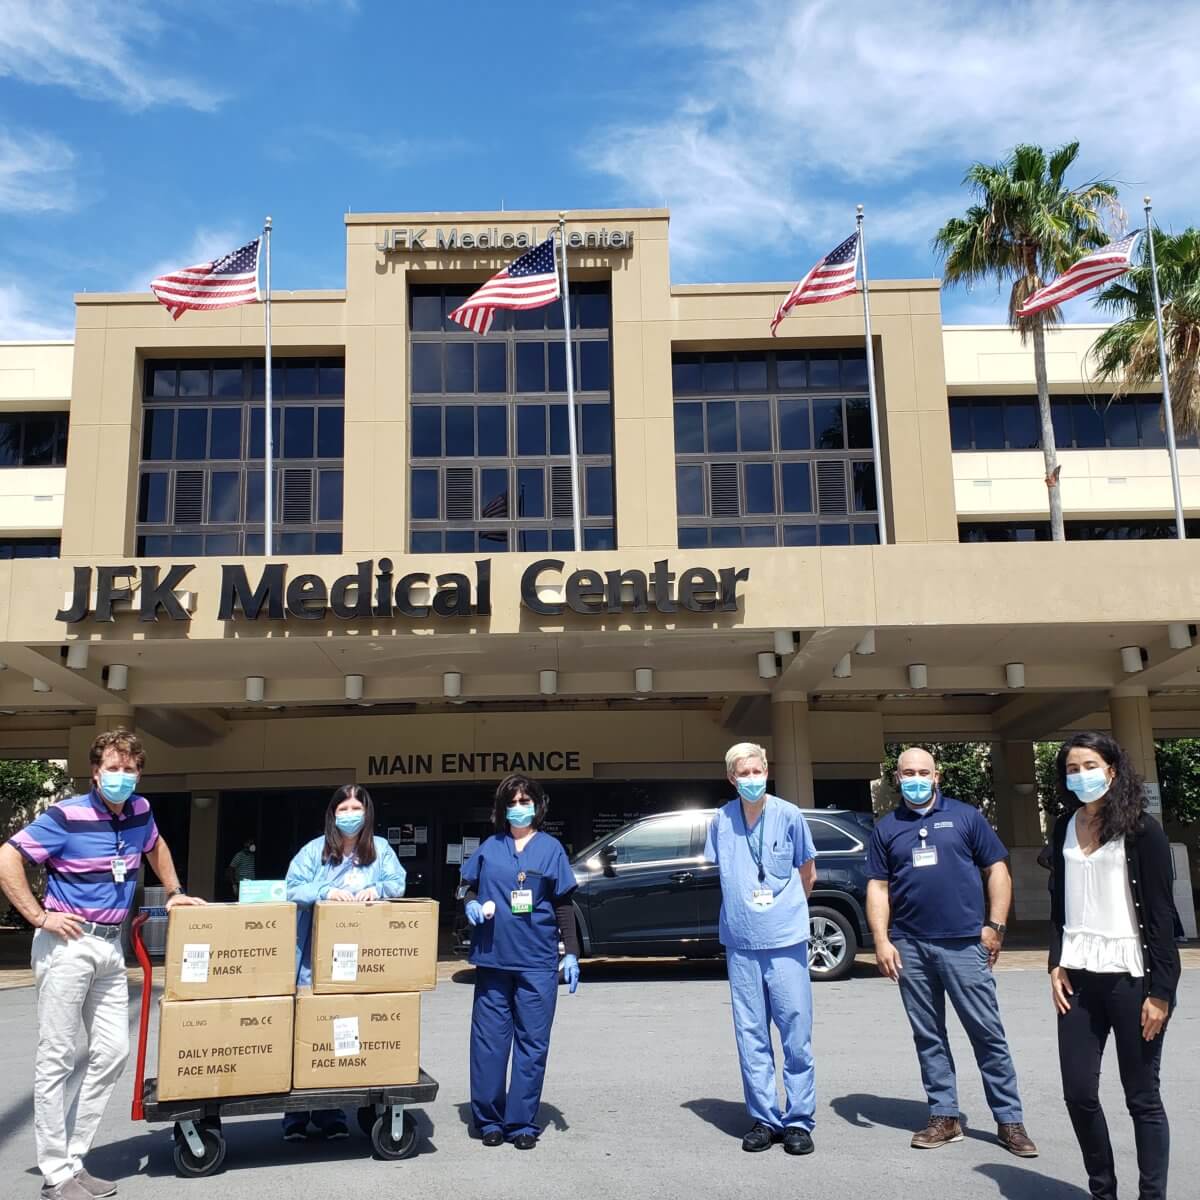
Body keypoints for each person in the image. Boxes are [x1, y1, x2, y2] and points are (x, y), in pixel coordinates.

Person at [0, 729, 204, 1200]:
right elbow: (9, 856)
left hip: (112, 946)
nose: (121, 777)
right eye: (112, 768)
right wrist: (38, 914)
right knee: (56, 1057)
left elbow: (155, 846)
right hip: (68, 945)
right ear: (95, 772)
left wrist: (173, 891)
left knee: (112, 1053)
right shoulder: (65, 815)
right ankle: (55, 1173)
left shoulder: (140, 811)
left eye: (129, 769)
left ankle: (74, 1159)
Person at [865, 746, 1037, 1157]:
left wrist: (995, 926)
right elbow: (878, 887)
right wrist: (882, 939)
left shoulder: (966, 817)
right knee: (928, 1036)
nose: (916, 778)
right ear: (897, 778)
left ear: (937, 776)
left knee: (987, 1033)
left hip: (964, 943)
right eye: (908, 772)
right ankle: (945, 1116)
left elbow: (997, 868)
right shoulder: (886, 828)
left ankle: (1009, 1120)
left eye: (923, 772)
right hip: (910, 945)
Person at [1048, 732, 1180, 1200]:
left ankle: (1151, 1196)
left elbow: (1163, 918)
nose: (1080, 775)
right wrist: (1054, 962)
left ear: (1112, 770)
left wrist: (1161, 993)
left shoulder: (1142, 829)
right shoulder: (1063, 825)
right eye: (1071, 768)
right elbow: (1059, 906)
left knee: (1141, 1098)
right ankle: (1103, 1191)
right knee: (1078, 1094)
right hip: (1078, 979)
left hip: (1132, 979)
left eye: (1089, 765)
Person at [703, 742, 818, 1156]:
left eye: (757, 771)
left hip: (785, 938)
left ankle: (799, 1120)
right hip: (741, 942)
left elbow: (808, 872)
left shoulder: (789, 815)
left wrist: (784, 910)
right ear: (731, 778)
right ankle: (765, 1118)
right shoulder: (721, 820)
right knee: (751, 1034)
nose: (751, 779)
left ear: (767, 769)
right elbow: (725, 870)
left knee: (795, 1032)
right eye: (743, 774)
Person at [461, 774, 579, 1149]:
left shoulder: (551, 849)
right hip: (494, 959)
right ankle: (489, 1119)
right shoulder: (489, 847)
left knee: (532, 1042)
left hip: (537, 962)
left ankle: (522, 1123)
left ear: (538, 805)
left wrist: (572, 952)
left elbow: (563, 903)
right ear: (501, 809)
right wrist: (471, 906)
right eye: (511, 802)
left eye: (525, 801)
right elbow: (469, 887)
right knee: (489, 1044)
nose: (518, 808)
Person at [284, 784, 405, 1141]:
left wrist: (378, 890)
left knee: (341, 1031)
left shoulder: (379, 850)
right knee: (305, 1031)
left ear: (366, 813)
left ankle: (330, 1111)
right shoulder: (314, 851)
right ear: (333, 814)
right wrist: (322, 892)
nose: (350, 815)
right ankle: (294, 1115)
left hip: (360, 959)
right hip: (313, 957)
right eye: (343, 808)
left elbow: (397, 883)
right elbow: (290, 888)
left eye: (357, 808)